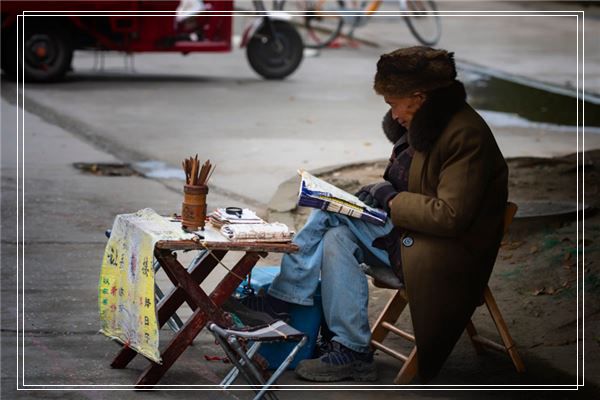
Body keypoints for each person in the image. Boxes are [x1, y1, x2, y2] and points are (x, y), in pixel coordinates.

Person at [248, 46, 509, 383]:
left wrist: (387, 197)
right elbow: (407, 189)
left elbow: (450, 216)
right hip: (409, 237)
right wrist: (378, 197)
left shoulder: (465, 136)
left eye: (393, 103)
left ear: (418, 96)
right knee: (336, 237)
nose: (393, 113)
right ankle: (353, 350)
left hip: (446, 255)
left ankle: (281, 298)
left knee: (332, 214)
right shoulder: (424, 124)